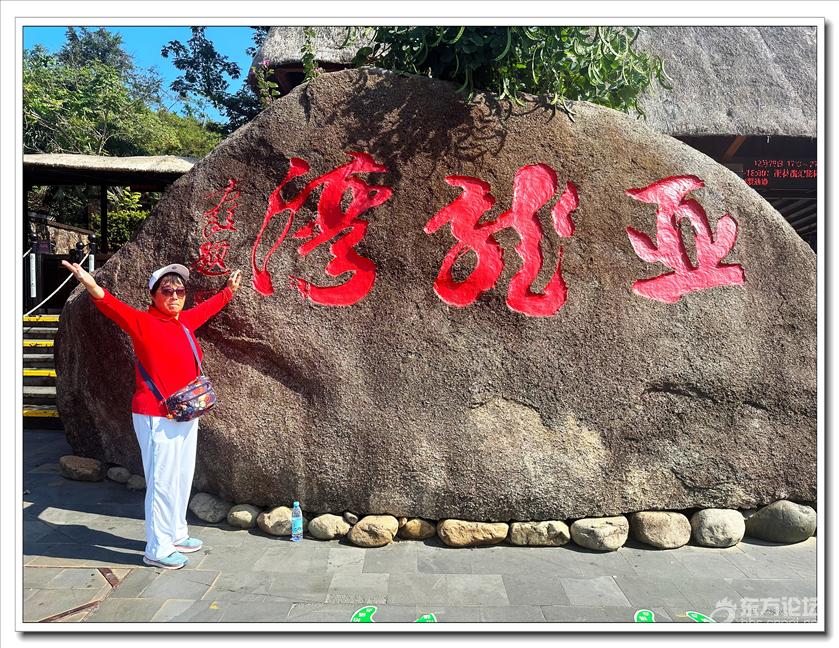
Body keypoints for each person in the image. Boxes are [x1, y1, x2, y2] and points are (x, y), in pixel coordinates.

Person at [61, 260, 242, 570]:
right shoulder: (142, 322)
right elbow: (109, 304)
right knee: (162, 481)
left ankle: (176, 533)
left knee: (182, 475)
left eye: (180, 291)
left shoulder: (183, 323)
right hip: (156, 414)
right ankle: (157, 548)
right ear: (154, 295)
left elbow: (208, 309)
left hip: (186, 411)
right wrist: (88, 282)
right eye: (167, 290)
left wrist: (228, 291)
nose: (174, 296)